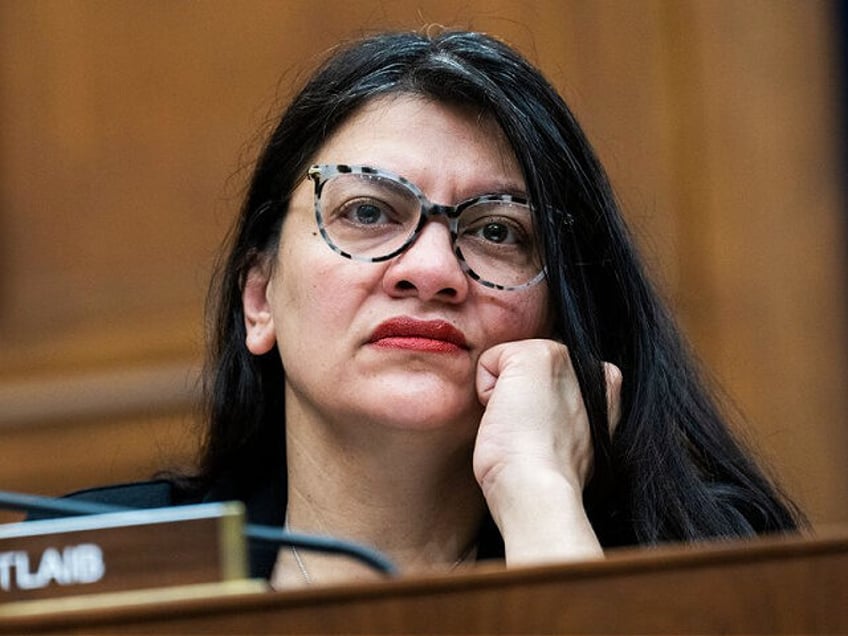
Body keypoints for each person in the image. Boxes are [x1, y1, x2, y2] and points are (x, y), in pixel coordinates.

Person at [65, 28, 802, 586]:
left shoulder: (714, 578)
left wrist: (539, 498)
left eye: (495, 231)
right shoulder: (100, 559)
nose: (431, 270)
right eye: (365, 213)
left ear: (560, 312)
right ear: (260, 298)